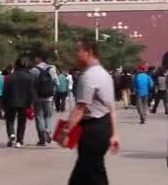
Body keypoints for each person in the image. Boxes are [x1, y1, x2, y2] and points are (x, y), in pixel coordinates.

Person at [64, 37, 120, 185]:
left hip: (93, 130)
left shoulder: (88, 76)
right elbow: (112, 107)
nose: (76, 54)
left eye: (78, 51)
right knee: (91, 172)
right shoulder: (104, 74)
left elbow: (80, 109)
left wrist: (65, 132)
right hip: (103, 126)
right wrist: (114, 133)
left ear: (88, 52)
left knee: (89, 173)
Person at [3, 57, 34, 148]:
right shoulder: (29, 77)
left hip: (10, 102)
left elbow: (5, 91)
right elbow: (31, 91)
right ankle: (19, 141)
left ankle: (11, 134)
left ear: (16, 65)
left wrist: (3, 103)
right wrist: (31, 103)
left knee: (10, 120)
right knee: (22, 122)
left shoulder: (9, 77)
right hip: (24, 102)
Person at [30, 52, 59, 146]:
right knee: (49, 115)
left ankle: (42, 139)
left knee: (39, 116)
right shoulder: (52, 68)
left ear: (38, 59)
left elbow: (31, 84)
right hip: (49, 97)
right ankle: (48, 130)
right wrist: (52, 92)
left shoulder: (33, 70)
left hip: (37, 97)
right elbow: (56, 82)